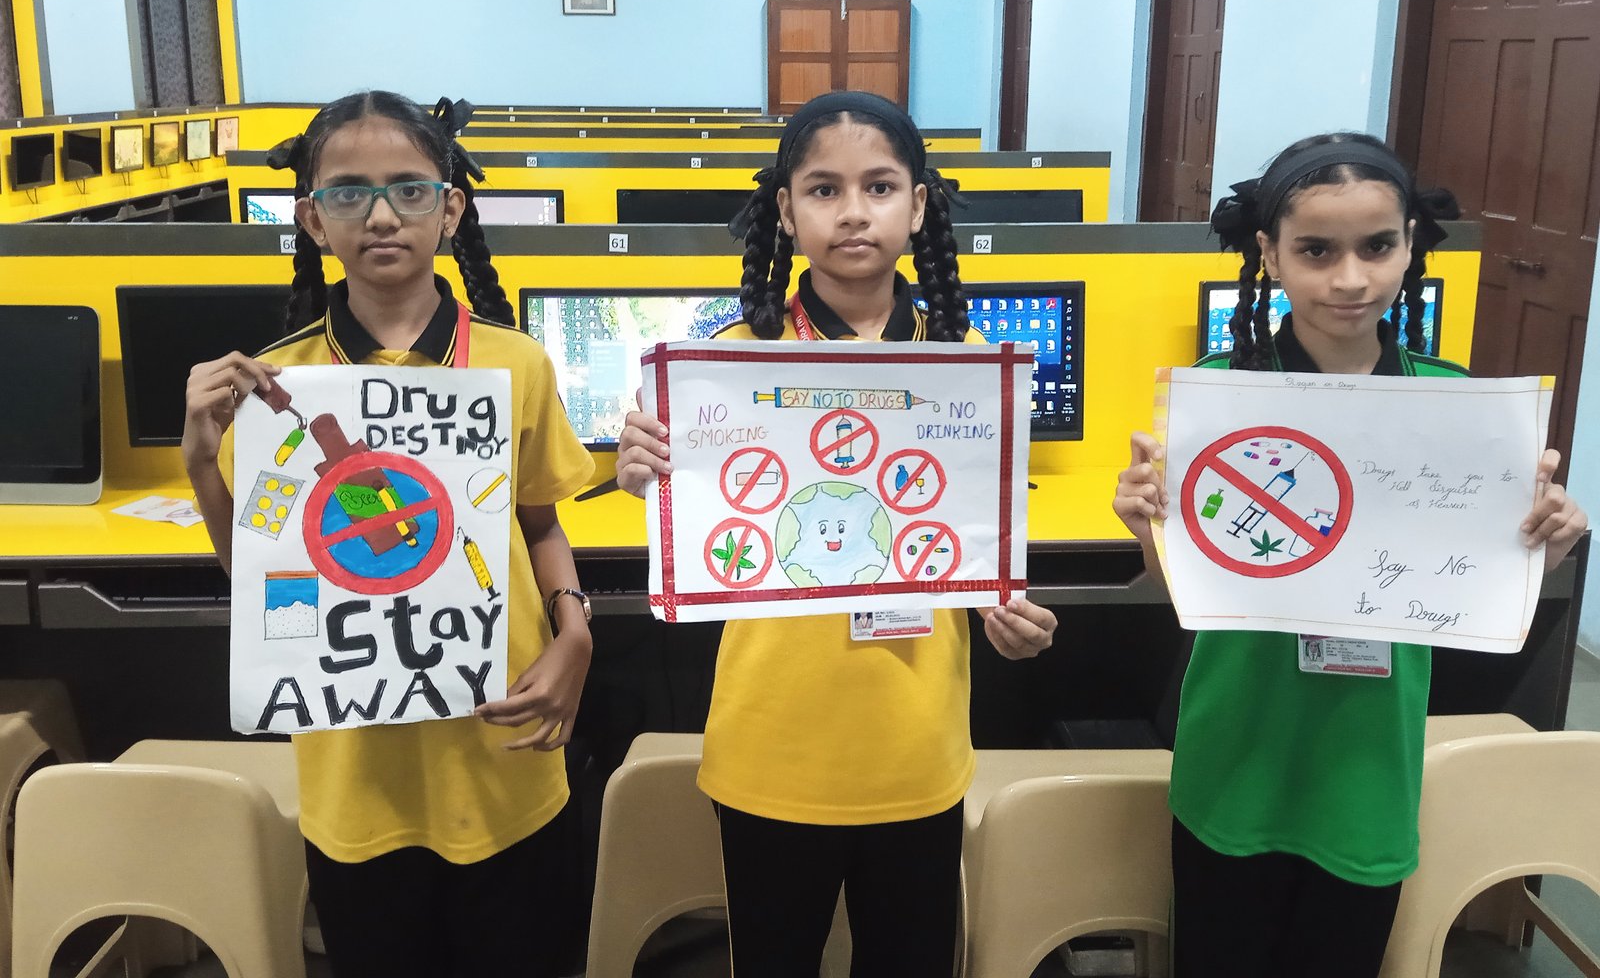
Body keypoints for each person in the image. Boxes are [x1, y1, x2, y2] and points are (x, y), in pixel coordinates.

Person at [1112, 132, 1589, 978]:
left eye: (1377, 246)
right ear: (1269, 253)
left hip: (1367, 768)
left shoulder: (1456, 409)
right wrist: (1146, 526)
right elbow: (1177, 584)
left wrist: (1540, 548)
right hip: (1235, 757)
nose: (1350, 278)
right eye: (1316, 251)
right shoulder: (1216, 398)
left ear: (1411, 244)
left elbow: (1479, 591)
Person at [616, 90, 1058, 977]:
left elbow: (964, 541)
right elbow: (709, 523)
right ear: (785, 209)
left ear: (918, 205)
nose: (854, 212)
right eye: (824, 190)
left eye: (879, 187)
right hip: (770, 749)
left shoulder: (965, 367)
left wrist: (1003, 611)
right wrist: (647, 471)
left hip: (915, 748)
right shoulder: (726, 363)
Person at [182, 91, 595, 978]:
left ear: (450, 209)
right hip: (355, 773)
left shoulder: (515, 363)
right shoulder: (278, 386)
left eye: (409, 189)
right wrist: (202, 463)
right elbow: (256, 574)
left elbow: (541, 524)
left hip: (501, 750)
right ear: (311, 218)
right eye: (348, 193)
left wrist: (575, 630)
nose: (379, 215)